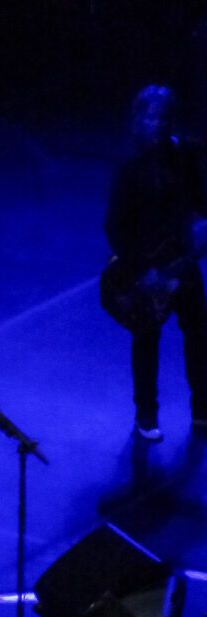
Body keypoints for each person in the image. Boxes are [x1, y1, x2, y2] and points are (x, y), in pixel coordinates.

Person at [103, 83, 207, 442]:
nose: (158, 124)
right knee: (147, 340)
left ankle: (202, 409)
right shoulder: (130, 165)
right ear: (139, 119)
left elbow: (199, 200)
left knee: (198, 335)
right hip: (146, 267)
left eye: (164, 117)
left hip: (182, 261)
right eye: (151, 117)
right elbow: (114, 224)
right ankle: (145, 415)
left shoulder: (183, 156)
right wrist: (140, 269)